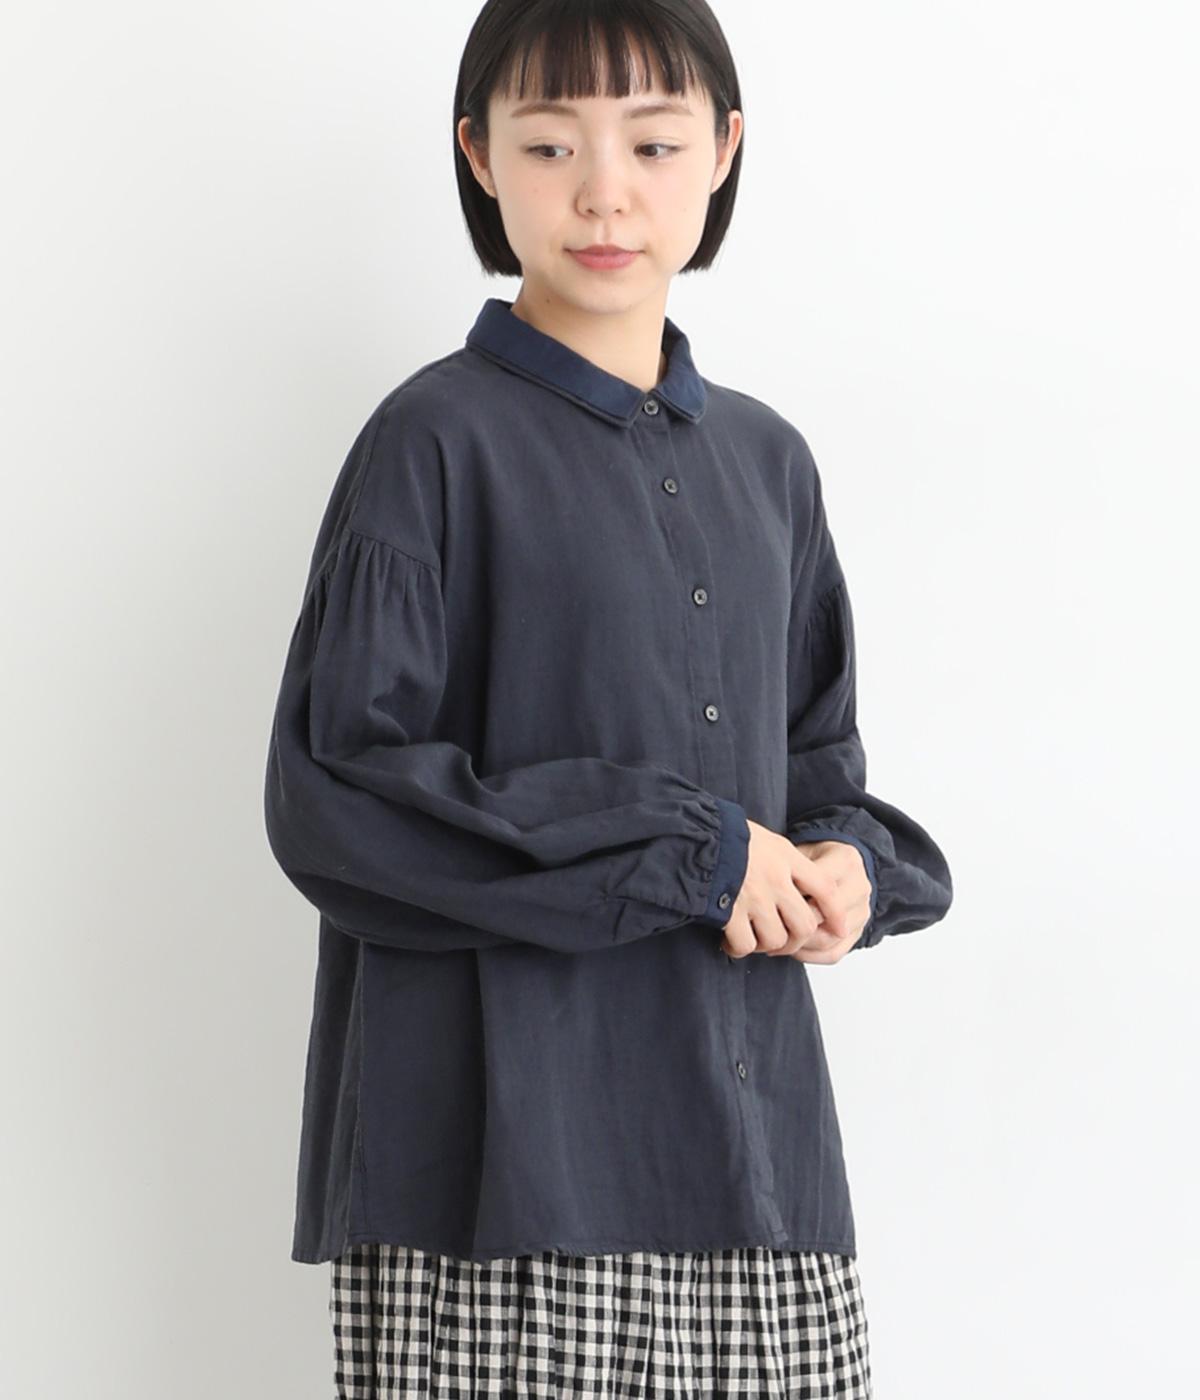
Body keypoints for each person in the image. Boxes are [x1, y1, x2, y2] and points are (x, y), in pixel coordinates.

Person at [262, 1, 954, 1395]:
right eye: (549, 144)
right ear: (479, 155)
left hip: (759, 1180)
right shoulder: (430, 442)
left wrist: (840, 868)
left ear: (724, 150)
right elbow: (338, 798)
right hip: (506, 1187)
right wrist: (691, 851)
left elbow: (816, 767)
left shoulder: (770, 463)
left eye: (652, 142)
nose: (603, 193)